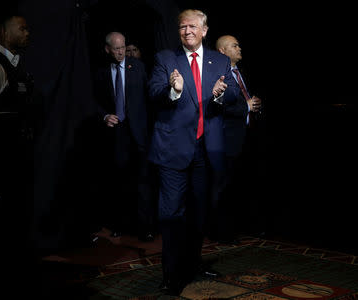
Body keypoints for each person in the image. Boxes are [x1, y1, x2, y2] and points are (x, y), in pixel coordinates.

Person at [148, 9, 239, 295]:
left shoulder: (220, 61)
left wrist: (222, 93)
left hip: (206, 151)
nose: (187, 31)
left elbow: (234, 94)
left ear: (204, 30)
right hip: (173, 151)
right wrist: (173, 90)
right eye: (182, 27)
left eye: (192, 26)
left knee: (199, 214)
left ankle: (194, 263)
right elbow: (153, 92)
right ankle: (172, 275)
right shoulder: (165, 59)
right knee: (172, 215)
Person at [92, 32, 155, 242]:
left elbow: (150, 98)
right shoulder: (100, 71)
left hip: (139, 133)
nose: (121, 52)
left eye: (123, 47)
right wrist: (104, 115)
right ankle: (120, 224)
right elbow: (93, 101)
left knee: (143, 181)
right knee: (119, 181)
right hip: (116, 134)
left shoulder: (138, 67)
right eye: (116, 48)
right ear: (107, 49)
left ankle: (144, 227)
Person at [214, 34, 266, 241]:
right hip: (227, 139)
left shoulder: (241, 71)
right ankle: (223, 232)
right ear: (222, 51)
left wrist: (255, 104)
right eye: (234, 45)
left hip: (247, 136)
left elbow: (247, 99)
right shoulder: (219, 74)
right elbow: (219, 105)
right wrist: (245, 106)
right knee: (225, 187)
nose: (239, 48)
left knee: (245, 184)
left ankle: (245, 226)